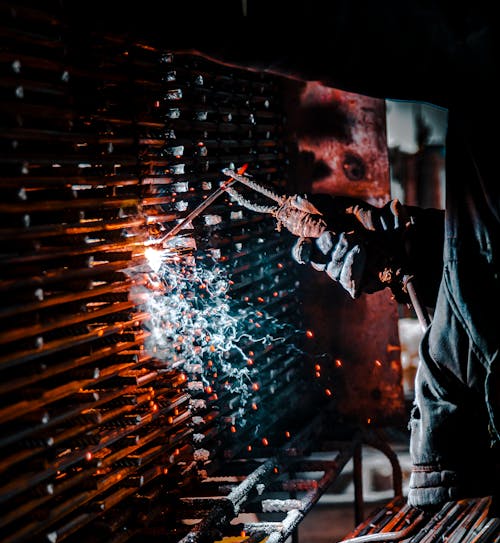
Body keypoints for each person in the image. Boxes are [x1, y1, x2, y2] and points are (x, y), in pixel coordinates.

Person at [173, 2, 500, 510]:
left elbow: (339, 31)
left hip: (486, 452)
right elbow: (478, 250)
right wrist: (391, 247)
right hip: (471, 443)